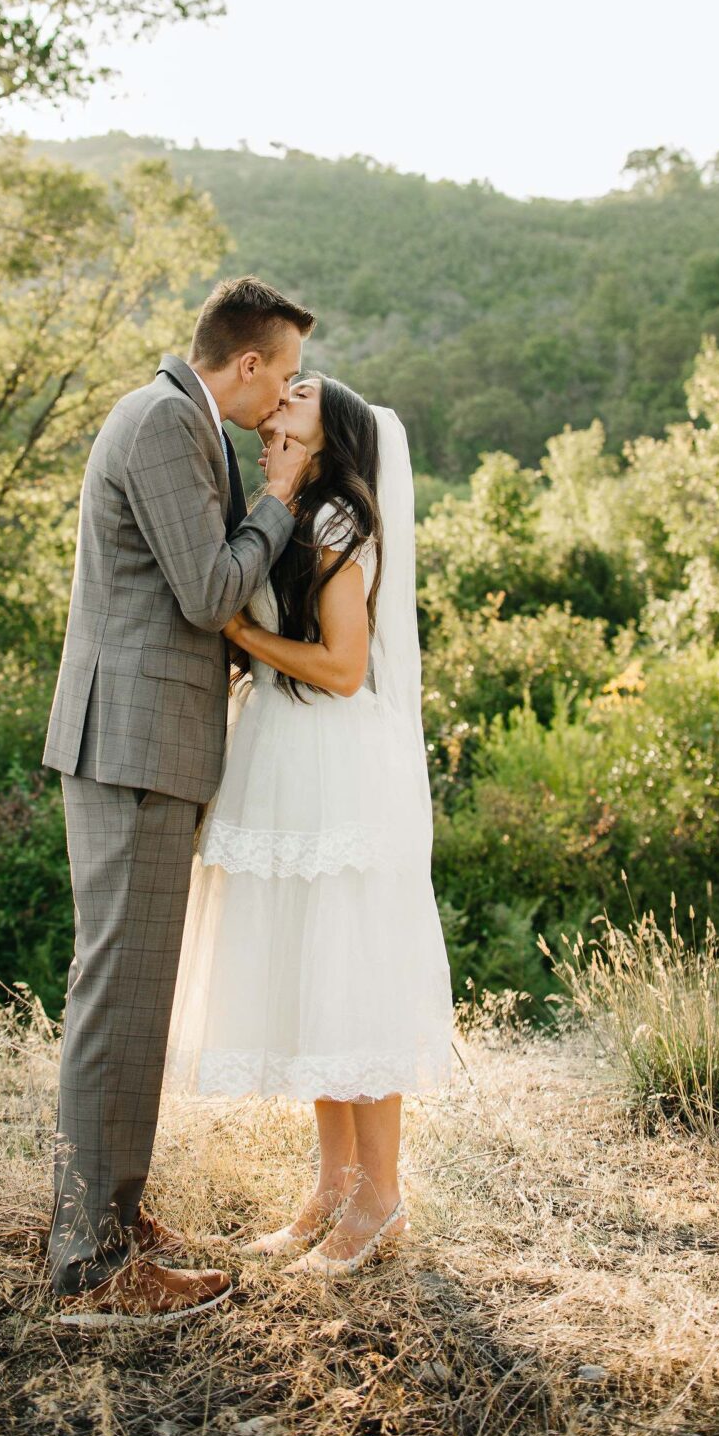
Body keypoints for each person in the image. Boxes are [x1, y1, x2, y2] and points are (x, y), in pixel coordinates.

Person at [41, 275, 316, 1326]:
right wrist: (280, 496)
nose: (283, 395)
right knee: (118, 996)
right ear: (245, 364)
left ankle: (108, 1211)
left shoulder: (175, 419)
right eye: (281, 373)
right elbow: (206, 589)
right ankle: (91, 1268)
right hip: (132, 746)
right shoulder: (163, 421)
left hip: (145, 743)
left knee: (132, 992)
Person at [163, 374, 455, 1275]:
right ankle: (331, 1183)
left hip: (333, 762)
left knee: (351, 971)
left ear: (328, 433)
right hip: (283, 756)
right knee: (311, 973)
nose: (273, 410)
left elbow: (339, 668)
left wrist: (244, 641)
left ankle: (383, 1194)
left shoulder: (339, 526)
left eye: (294, 401)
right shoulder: (289, 511)